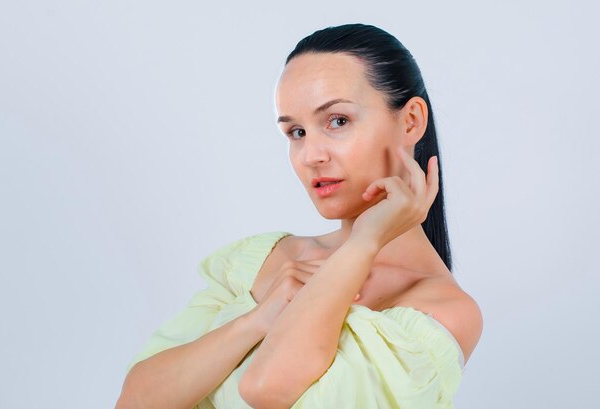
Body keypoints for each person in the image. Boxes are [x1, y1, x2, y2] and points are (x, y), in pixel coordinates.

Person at [116, 23, 483, 409]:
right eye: (296, 132)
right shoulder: (262, 261)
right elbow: (134, 401)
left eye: (337, 121)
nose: (311, 156)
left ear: (410, 121)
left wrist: (364, 242)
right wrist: (256, 319)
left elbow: (266, 389)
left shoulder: (441, 312)